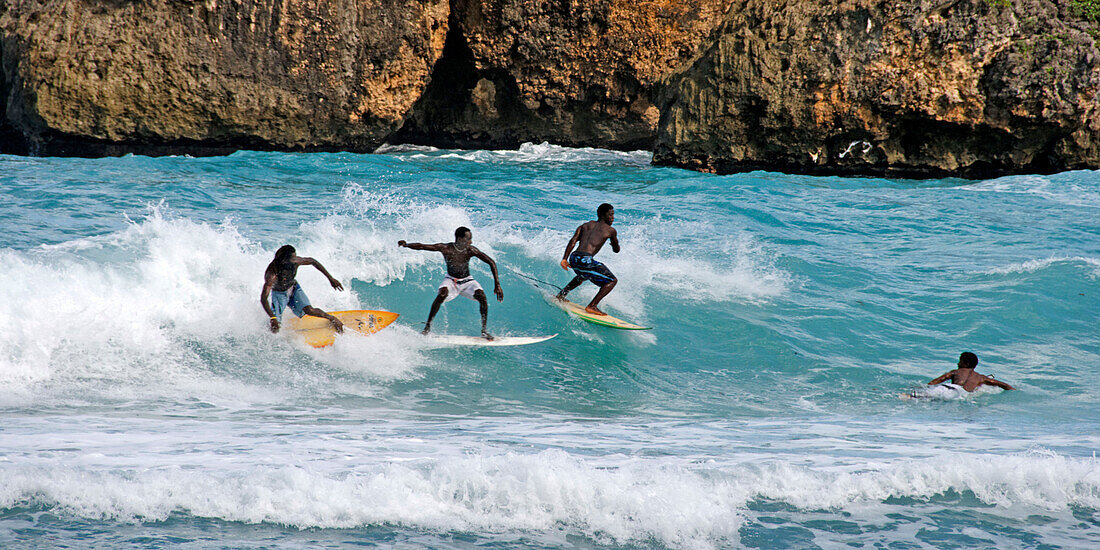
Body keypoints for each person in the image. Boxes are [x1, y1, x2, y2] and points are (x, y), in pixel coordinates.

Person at [398, 226, 504, 339]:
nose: (471, 242)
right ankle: (427, 328)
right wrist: (407, 245)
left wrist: (497, 284)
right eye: (468, 239)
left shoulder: (471, 250)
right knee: (441, 295)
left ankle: (484, 331)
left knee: (482, 297)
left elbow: (491, 262)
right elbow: (422, 246)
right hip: (451, 280)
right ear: (459, 239)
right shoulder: (446, 248)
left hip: (467, 280)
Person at [260, 245, 345, 334]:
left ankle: (332, 319)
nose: (295, 259)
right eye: (293, 257)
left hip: (293, 288)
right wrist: (272, 318)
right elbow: (263, 298)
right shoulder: (272, 274)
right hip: (279, 293)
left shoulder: (296, 261)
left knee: (309, 310)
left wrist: (330, 278)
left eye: (295, 256)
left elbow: (313, 261)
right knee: (275, 325)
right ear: (284, 260)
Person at [556, 203, 619, 315]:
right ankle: (592, 306)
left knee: (582, 276)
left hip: (574, 257)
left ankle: (561, 295)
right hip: (585, 260)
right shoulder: (610, 230)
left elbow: (573, 240)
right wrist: (614, 243)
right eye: (611, 215)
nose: (613, 218)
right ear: (603, 215)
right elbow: (616, 250)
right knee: (612, 281)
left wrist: (564, 259)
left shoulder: (585, 225)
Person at [927, 352, 1015, 392]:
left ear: (966, 364)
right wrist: (1013, 390)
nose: (958, 363)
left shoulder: (956, 372)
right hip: (960, 394)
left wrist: (928, 386)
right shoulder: (982, 378)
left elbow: (936, 381)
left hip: (948, 388)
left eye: (960, 361)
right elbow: (1004, 385)